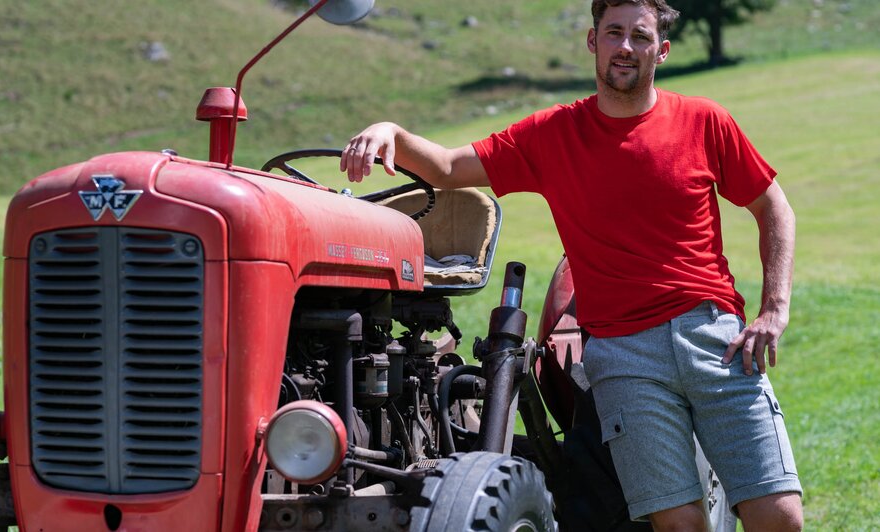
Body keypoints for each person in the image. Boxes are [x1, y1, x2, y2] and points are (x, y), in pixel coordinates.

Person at [341, 0, 804, 529]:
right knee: (679, 524)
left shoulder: (705, 121)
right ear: (593, 41)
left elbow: (773, 207)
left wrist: (775, 308)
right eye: (614, 33)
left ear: (662, 50)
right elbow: (448, 168)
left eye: (640, 36)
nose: (625, 47)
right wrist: (391, 133)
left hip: (713, 337)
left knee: (780, 514)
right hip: (625, 356)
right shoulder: (553, 135)